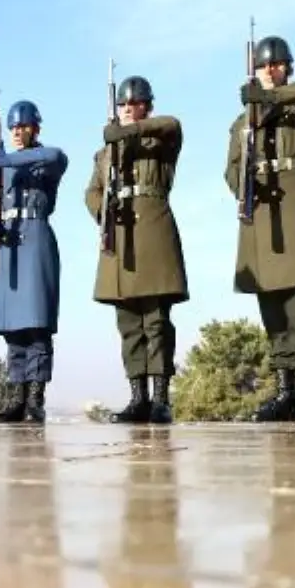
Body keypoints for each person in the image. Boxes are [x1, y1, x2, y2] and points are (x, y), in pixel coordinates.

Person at [225, 34, 295, 422]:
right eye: (262, 65)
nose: (269, 71)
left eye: (276, 64)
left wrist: (268, 99)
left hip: (294, 202)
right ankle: (285, 390)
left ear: (288, 68)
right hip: (261, 205)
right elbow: (232, 167)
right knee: (271, 303)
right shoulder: (243, 122)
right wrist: (244, 185)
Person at [84, 76, 189, 424]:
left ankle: (161, 399)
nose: (128, 109)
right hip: (120, 233)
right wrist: (103, 210)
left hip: (153, 229)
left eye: (135, 104)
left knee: (156, 321)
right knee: (128, 322)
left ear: (147, 106)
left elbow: (173, 124)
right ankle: (137, 398)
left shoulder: (160, 141)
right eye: (124, 105)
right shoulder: (103, 154)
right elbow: (92, 191)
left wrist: (127, 133)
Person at [0, 100, 69, 424]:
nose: (18, 132)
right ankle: (16, 396)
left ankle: (35, 398)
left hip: (34, 237)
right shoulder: (2, 167)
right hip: (7, 243)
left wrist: (7, 159)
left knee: (36, 327)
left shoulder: (44, 162)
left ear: (36, 128)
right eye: (14, 128)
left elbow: (57, 156)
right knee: (12, 330)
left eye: (24, 126)